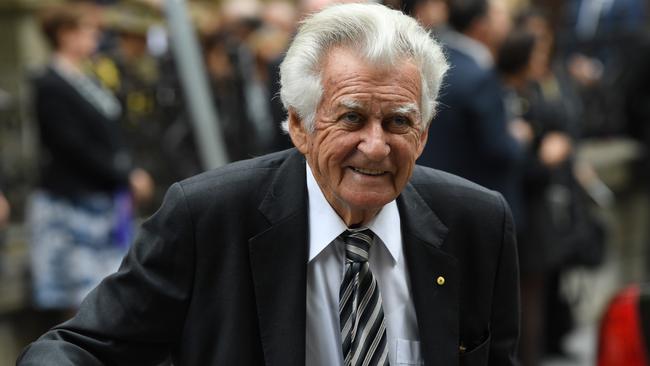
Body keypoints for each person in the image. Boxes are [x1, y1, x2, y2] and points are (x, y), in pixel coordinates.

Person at [18, 4, 519, 365]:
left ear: (424, 132)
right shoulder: (207, 217)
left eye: (397, 122)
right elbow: (79, 349)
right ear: (299, 125)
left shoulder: (477, 222)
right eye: (350, 118)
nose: (375, 145)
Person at [26, 3, 153, 314]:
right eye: (87, 29)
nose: (95, 36)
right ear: (64, 34)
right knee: (83, 298)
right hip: (73, 205)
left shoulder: (89, 77)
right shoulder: (49, 83)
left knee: (113, 293)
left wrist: (128, 170)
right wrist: (122, 175)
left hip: (105, 203)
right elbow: (71, 145)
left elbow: (113, 133)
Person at [417, 0, 530, 225]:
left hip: (433, 199)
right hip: (479, 207)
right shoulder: (479, 76)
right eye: (499, 15)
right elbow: (499, 148)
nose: (507, 22)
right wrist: (519, 139)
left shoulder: (438, 57)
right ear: (481, 26)